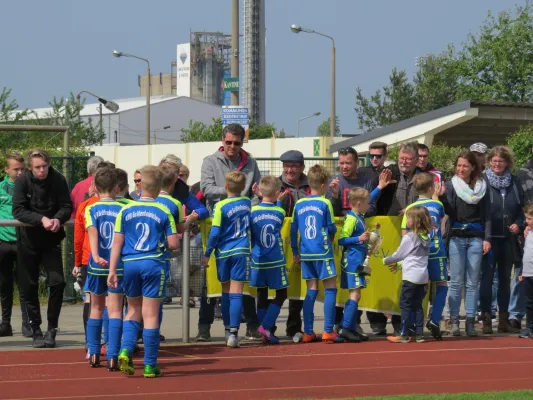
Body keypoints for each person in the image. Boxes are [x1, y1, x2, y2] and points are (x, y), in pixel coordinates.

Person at [109, 165, 178, 378]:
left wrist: (113, 270)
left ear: (140, 187)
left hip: (129, 265)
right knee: (151, 315)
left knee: (132, 310)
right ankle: (149, 365)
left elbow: (117, 242)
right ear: (159, 189)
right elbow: (174, 243)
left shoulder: (125, 209)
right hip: (153, 264)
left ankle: (124, 349)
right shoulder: (164, 210)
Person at [199, 124, 261, 340]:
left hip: (237, 239)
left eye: (237, 142)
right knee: (211, 287)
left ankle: (240, 329)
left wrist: (246, 205)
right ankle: (205, 328)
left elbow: (257, 191)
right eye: (229, 142)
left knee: (235, 290)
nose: (233, 146)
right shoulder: (210, 161)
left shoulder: (251, 162)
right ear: (222, 140)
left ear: (243, 142)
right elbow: (206, 189)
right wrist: (233, 196)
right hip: (215, 230)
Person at [12, 148, 73, 348]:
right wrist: (41, 219)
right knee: (28, 286)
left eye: (45, 166)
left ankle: (52, 328)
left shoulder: (58, 179)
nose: (42, 170)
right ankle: (35, 329)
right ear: (30, 167)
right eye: (37, 167)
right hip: (28, 240)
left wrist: (57, 219)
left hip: (51, 240)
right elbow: (18, 210)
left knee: (58, 282)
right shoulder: (22, 181)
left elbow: (66, 206)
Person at [440, 151, 491, 336]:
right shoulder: (451, 185)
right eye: (459, 165)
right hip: (456, 238)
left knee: (472, 282)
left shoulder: (482, 186)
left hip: (476, 238)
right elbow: (450, 213)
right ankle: (454, 321)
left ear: (472, 167)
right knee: (455, 282)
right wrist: (443, 198)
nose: (461, 169)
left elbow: (487, 215)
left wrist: (487, 238)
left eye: (465, 166)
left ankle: (470, 321)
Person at [291, 164, 343, 344]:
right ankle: (328, 330)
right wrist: (330, 237)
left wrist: (295, 251)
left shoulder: (299, 203)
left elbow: (293, 230)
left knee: (311, 290)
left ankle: (308, 332)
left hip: (306, 253)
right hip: (323, 251)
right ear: (323, 185)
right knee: (330, 289)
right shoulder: (325, 202)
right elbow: (331, 227)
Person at [201, 171, 252, 348]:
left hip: (224, 252)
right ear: (243, 187)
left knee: (226, 292)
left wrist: (207, 253)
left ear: (226, 186)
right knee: (237, 291)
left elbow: (215, 232)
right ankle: (234, 333)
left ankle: (227, 329)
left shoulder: (220, 206)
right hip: (242, 250)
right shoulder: (246, 203)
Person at [479, 146, 524, 334]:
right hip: (489, 238)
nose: (497, 164)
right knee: (487, 280)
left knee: (505, 280)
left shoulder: (514, 182)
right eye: (494, 161)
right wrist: (485, 236)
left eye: (501, 161)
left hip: (508, 239)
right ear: (489, 162)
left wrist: (518, 224)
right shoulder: (482, 180)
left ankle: (504, 320)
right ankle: (487, 320)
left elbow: (521, 209)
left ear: (507, 163)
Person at [84, 167, 125, 370]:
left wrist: (97, 255)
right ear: (117, 188)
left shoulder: (91, 209)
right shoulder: (123, 209)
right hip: (117, 266)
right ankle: (112, 354)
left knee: (96, 308)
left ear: (95, 188)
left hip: (96, 265)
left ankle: (92, 352)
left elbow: (92, 233)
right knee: (116, 310)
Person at [402, 173, 447, 340]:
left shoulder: (410, 209)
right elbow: (439, 215)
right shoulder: (437, 204)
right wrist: (436, 196)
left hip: (417, 254)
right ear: (430, 188)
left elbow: (405, 233)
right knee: (442, 284)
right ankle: (435, 319)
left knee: (416, 288)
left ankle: (413, 325)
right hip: (435, 250)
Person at [384, 206, 433, 343]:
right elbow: (415, 257)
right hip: (422, 277)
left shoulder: (410, 237)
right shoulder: (426, 237)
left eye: (409, 217)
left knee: (405, 305)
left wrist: (385, 260)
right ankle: (419, 334)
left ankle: (404, 334)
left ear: (415, 221)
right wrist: (400, 265)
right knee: (417, 306)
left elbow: (399, 255)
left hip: (410, 277)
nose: (407, 219)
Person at [249, 176, 288, 345]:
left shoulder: (252, 211)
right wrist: (278, 202)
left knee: (262, 293)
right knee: (281, 293)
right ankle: (265, 326)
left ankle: (263, 329)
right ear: (277, 192)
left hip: (258, 258)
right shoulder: (279, 211)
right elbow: (278, 214)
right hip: (275, 259)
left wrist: (260, 198)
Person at [277, 150, 310, 338]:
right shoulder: (276, 185)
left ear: (302, 167)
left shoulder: (309, 186)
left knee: (298, 287)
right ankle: (267, 328)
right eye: (287, 166)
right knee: (278, 288)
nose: (290, 170)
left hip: (304, 243)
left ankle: (294, 327)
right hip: (280, 244)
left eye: (294, 166)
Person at [337, 188, 375, 342]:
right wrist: (358, 238)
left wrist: (379, 187)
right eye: (367, 203)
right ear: (359, 203)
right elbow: (342, 240)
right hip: (352, 261)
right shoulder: (351, 218)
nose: (369, 205)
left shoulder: (359, 215)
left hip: (358, 260)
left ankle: (351, 327)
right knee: (355, 294)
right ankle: (345, 328)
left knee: (357, 295)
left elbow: (368, 196)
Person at [0, 154, 31, 338]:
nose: (20, 172)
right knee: (4, 285)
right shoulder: (1, 187)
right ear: (6, 169)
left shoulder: (29, 187)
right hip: (3, 242)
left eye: (22, 169)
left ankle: (27, 324)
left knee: (25, 284)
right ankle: (5, 324)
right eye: (16, 169)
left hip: (23, 242)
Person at [155, 165, 186, 334]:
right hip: (160, 255)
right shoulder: (174, 203)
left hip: (137, 256)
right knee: (157, 299)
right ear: (174, 181)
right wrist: (193, 219)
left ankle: (133, 336)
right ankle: (153, 334)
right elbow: (180, 229)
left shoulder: (142, 201)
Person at [518, 204, 533, 339]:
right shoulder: (528, 233)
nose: (526, 221)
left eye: (529, 218)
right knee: (528, 302)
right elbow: (526, 254)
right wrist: (523, 272)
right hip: (528, 272)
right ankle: (529, 327)